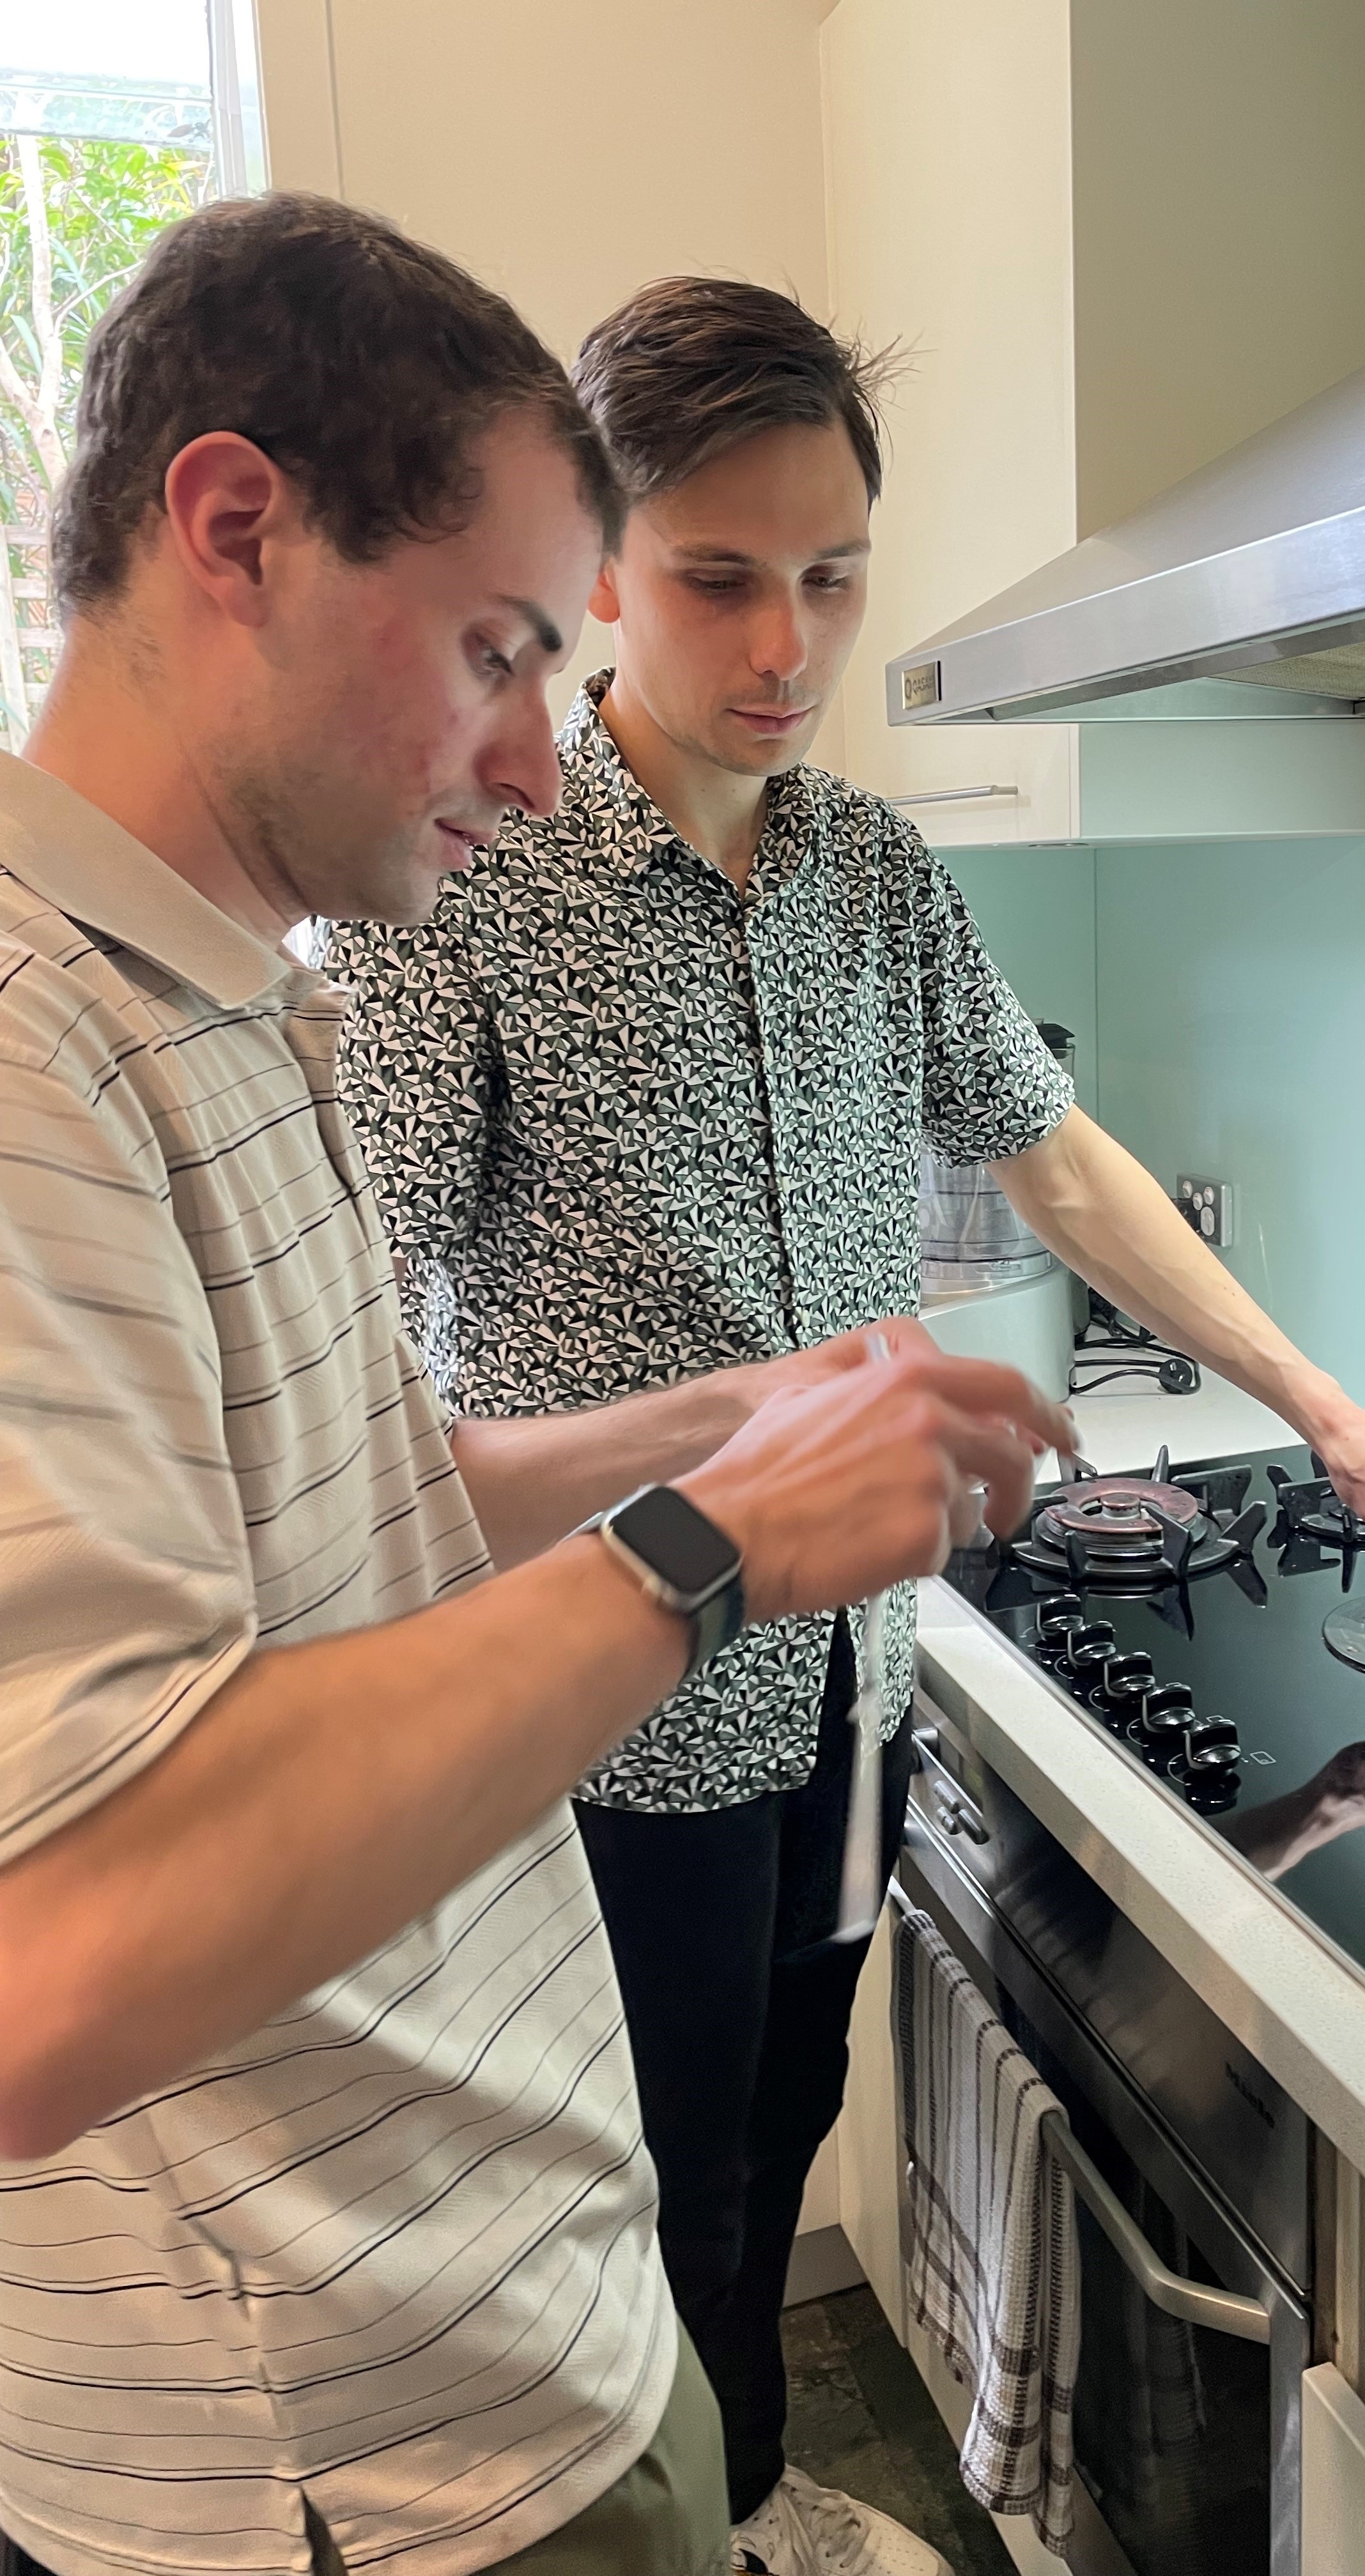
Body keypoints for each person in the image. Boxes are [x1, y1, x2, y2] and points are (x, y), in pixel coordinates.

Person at [325, 277, 1365, 2576]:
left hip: (852, 1678)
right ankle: (673, 2524)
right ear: (604, 573)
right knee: (639, 2187)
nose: (789, 636)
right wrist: (728, 1432)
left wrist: (1318, 1395)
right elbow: (358, 1374)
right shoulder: (470, 887)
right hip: (607, 1711)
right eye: (723, 575)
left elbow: (1056, 1156)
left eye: (833, 574)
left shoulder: (872, 874)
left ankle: (741, 2505)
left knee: (778, 2114)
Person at [0, 195, 1070, 2576]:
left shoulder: (226, 997)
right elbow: (51, 1963)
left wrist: (732, 1428)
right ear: (236, 529)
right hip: (350, 2470)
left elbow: (374, 1509)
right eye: (501, 645)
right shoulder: (31, 1065)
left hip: (496, 2318)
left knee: (756, 2139)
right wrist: (715, 1546)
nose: (533, 749)